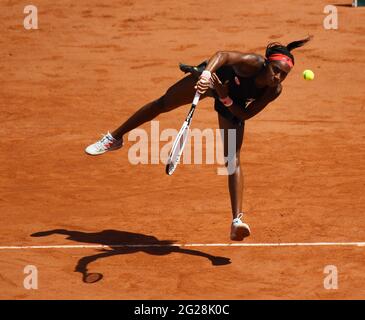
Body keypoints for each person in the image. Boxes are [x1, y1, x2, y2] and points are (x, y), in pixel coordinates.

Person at [85, 36, 312, 241]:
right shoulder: (252, 63)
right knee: (162, 104)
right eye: (275, 70)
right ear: (267, 63)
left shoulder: (274, 90)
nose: (277, 76)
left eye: (283, 74)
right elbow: (222, 55)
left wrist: (225, 98)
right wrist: (205, 76)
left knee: (232, 158)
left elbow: (246, 114)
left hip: (231, 102)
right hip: (214, 78)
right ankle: (115, 138)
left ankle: (236, 222)